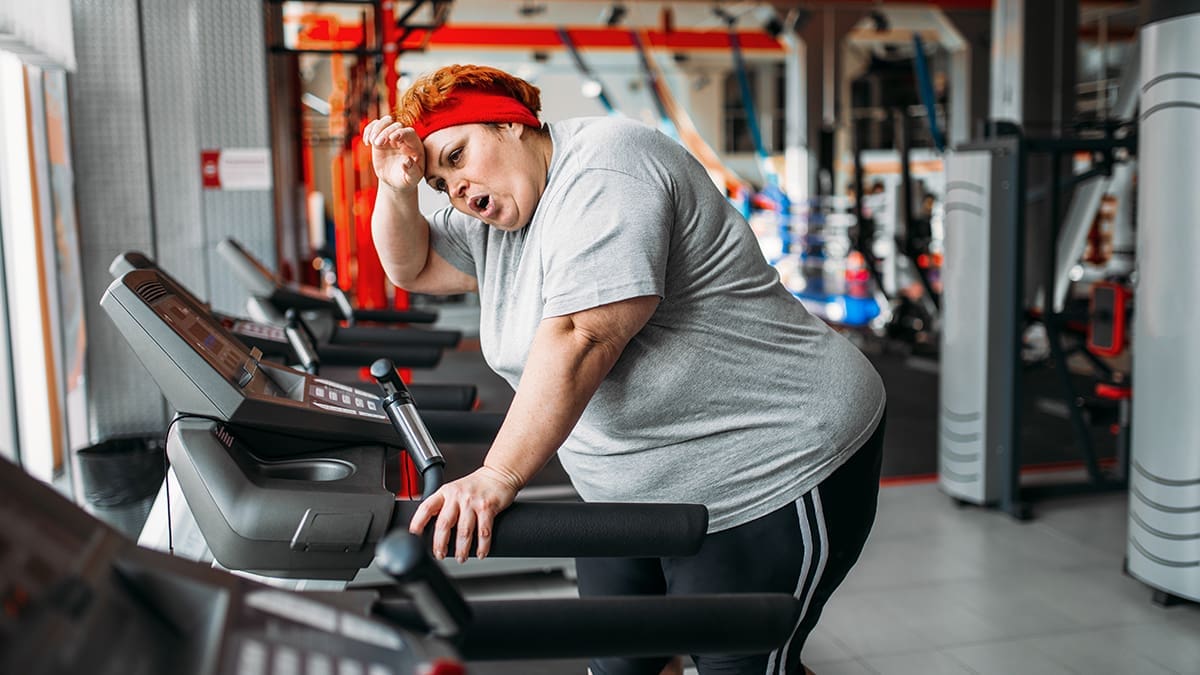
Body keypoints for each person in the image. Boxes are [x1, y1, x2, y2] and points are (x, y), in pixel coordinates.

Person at [363, 64, 887, 675]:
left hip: (768, 465)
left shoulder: (605, 168)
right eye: (439, 181)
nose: (456, 188)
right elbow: (412, 267)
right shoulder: (498, 218)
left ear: (511, 123)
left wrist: (498, 475)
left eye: (457, 156)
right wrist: (396, 188)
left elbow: (584, 336)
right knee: (619, 665)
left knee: (736, 667)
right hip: (630, 490)